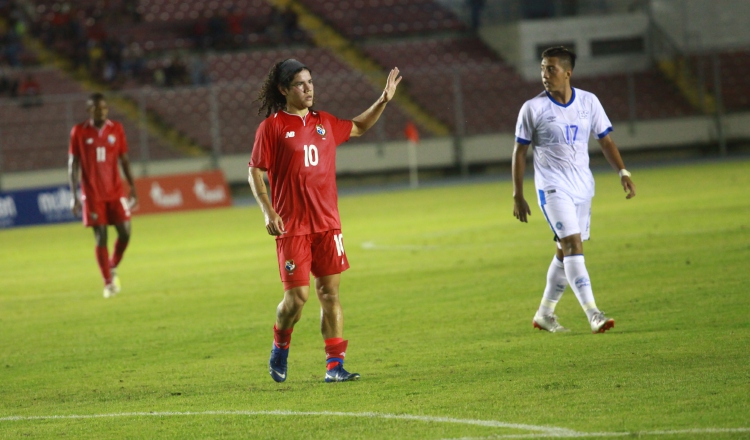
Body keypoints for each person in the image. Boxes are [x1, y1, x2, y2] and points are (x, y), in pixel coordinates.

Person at [248, 59, 401, 382]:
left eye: (310, 82)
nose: (308, 89)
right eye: (300, 84)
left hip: (328, 224)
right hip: (292, 227)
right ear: (283, 90)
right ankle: (280, 343)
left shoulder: (325, 123)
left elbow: (358, 127)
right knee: (297, 298)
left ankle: (334, 366)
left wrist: (383, 100)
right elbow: (255, 171)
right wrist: (267, 210)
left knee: (330, 294)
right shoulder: (272, 127)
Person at [512, 46, 636, 334]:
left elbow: (605, 140)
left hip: (582, 188)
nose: (544, 74)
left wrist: (623, 172)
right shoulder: (533, 108)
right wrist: (517, 194)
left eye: (551, 69)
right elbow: (519, 152)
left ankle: (544, 313)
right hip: (552, 188)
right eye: (542, 68)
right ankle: (593, 313)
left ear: (568, 72)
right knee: (572, 246)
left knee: (563, 251)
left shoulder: (589, 102)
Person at [68, 92, 138, 298]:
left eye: (105, 108)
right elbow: (73, 165)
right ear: (89, 110)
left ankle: (112, 264)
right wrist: (74, 194)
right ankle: (108, 283)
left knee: (125, 231)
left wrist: (133, 187)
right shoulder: (79, 132)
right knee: (101, 237)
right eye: (98, 108)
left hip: (115, 192)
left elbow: (124, 159)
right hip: (92, 194)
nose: (102, 111)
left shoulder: (116, 129)